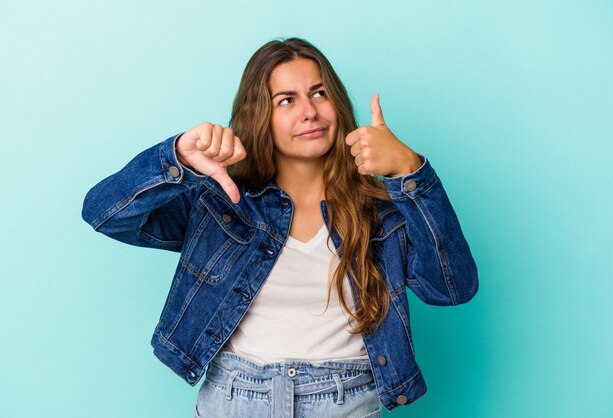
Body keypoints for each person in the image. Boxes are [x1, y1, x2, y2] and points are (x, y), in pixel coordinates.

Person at [81, 37, 479, 417]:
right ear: (260, 116)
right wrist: (177, 157)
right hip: (233, 398)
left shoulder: (381, 213)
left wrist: (411, 171)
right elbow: (104, 213)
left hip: (344, 402)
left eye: (319, 93)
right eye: (286, 100)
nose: (310, 111)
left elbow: (452, 288)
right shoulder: (221, 203)